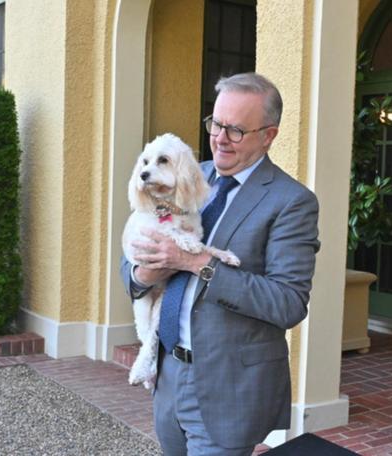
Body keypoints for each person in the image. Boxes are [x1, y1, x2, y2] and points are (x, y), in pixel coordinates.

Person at [121, 72, 320, 455]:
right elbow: (130, 262)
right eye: (215, 124)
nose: (219, 138)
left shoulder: (291, 201)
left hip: (227, 386)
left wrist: (197, 263)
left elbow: (288, 302)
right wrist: (144, 271)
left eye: (236, 130)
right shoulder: (188, 175)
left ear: (269, 135)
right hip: (169, 372)